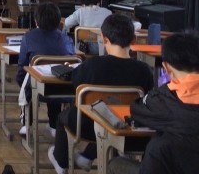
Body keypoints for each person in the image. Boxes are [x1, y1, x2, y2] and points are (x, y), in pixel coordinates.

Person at [47, 13, 154, 174]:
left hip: (87, 125)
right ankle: (87, 156)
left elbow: (75, 82)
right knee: (108, 118)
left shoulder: (92, 64)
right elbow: (148, 97)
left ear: (104, 39)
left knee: (64, 117)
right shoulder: (144, 70)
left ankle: (61, 161)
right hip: (126, 126)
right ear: (134, 40)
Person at [107, 31, 199, 174]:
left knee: (115, 164)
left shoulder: (163, 100)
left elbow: (137, 109)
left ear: (166, 68)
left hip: (163, 166)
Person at [17, 2, 75, 136]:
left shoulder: (28, 37)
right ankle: (54, 125)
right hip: (64, 88)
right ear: (59, 21)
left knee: (28, 80)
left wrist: (20, 82)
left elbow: (22, 65)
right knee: (54, 77)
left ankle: (27, 124)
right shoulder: (67, 39)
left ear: (36, 21)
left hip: (36, 86)